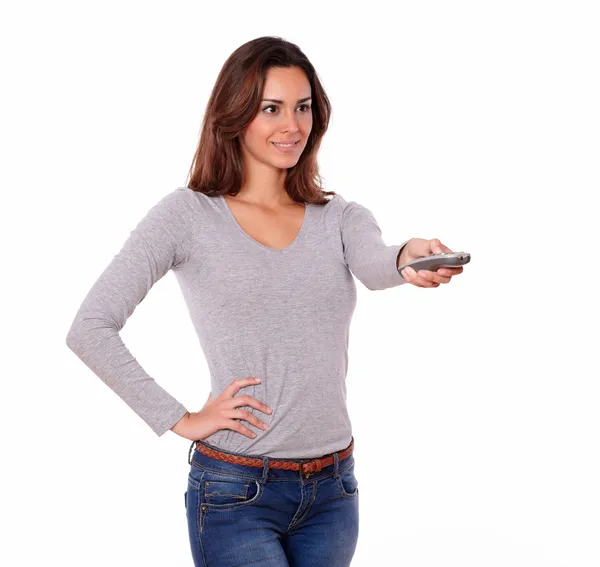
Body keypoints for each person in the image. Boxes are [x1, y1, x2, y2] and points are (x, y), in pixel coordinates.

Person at [65, 36, 463, 567]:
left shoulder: (340, 216)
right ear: (235, 116)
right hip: (235, 490)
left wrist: (409, 257)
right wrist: (179, 418)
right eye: (271, 108)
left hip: (333, 491)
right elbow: (90, 326)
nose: (292, 125)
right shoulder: (187, 216)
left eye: (302, 108)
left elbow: (377, 264)